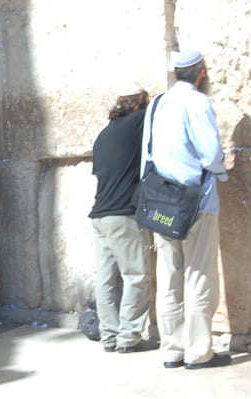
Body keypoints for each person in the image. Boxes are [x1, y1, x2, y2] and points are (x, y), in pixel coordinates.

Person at [141, 50, 231, 369]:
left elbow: (146, 155)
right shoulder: (197, 102)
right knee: (199, 274)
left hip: (160, 201)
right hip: (196, 201)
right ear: (201, 73)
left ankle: (172, 349)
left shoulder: (157, 104)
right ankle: (198, 351)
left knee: (169, 275)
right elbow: (210, 153)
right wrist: (222, 172)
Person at [89, 88, 156, 353]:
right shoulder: (136, 122)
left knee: (106, 279)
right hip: (122, 215)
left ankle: (109, 336)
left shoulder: (103, 135)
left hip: (99, 215)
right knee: (137, 275)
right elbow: (157, 111)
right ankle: (129, 337)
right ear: (138, 107)